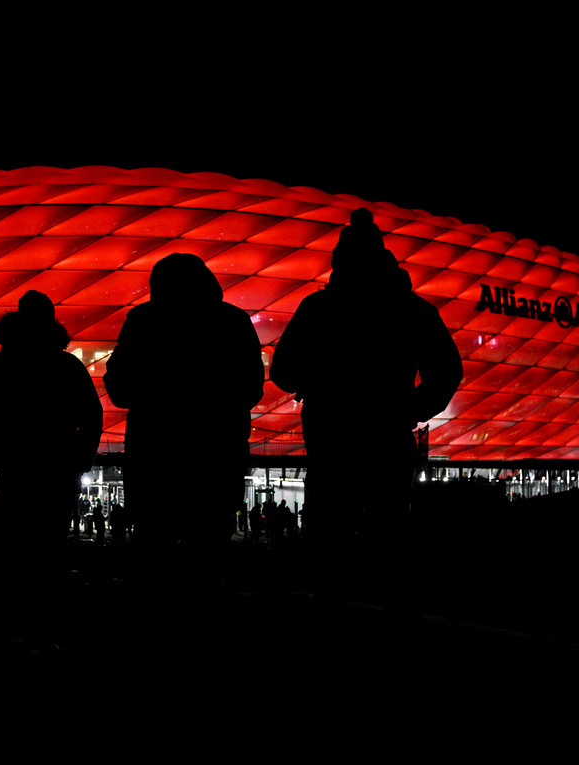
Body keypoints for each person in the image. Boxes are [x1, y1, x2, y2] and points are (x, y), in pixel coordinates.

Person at [270, 209, 462, 601]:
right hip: (388, 437)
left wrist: (316, 385)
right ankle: (393, 609)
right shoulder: (413, 310)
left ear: (338, 262)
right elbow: (447, 371)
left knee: (329, 535)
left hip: (331, 436)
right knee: (390, 534)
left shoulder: (318, 308)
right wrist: (409, 410)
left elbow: (282, 370)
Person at [104, 252, 265, 577]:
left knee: (154, 549)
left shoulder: (144, 320)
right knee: (208, 549)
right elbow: (251, 387)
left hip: (154, 452)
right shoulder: (232, 321)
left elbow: (119, 387)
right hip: (217, 453)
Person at [0, 290, 103, 646]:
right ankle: (46, 627)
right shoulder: (66, 365)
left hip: (16, 471)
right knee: (51, 549)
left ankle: (16, 626)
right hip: (58, 471)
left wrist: (0, 459)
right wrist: (79, 462)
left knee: (15, 548)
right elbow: (92, 417)